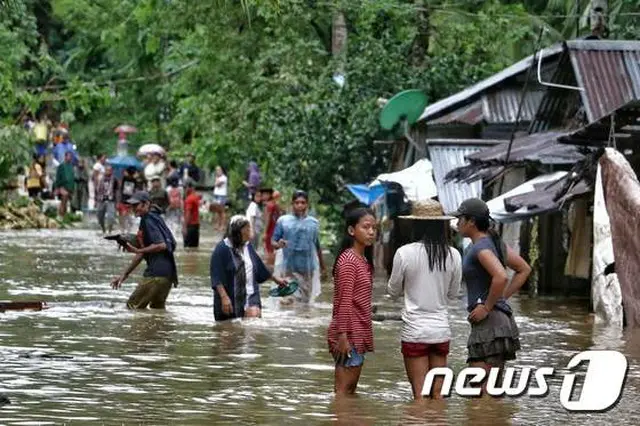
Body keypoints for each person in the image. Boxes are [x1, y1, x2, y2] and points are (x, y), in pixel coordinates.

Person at [451, 198, 531, 393]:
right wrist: (500, 298)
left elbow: (501, 276)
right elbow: (524, 269)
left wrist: (487, 306)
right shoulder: (494, 243)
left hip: (490, 324)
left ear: (471, 222)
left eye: (460, 218)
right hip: (500, 322)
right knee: (491, 394)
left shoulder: (480, 248)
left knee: (479, 393)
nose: (457, 223)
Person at [386, 200, 462, 400]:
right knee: (438, 396)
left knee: (420, 397)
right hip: (440, 331)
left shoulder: (404, 253)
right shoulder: (453, 254)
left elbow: (392, 291)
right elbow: (453, 294)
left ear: (415, 225)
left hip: (415, 331)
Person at [327, 207, 377, 395]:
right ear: (351, 231)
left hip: (357, 331)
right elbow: (344, 301)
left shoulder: (362, 259)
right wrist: (342, 336)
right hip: (348, 334)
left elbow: (354, 298)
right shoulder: (349, 260)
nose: (371, 232)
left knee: (348, 392)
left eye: (374, 228)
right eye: (365, 227)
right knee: (343, 393)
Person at [210, 215, 288, 321]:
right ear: (238, 231)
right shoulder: (222, 249)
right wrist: (224, 297)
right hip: (229, 297)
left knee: (253, 324)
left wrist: (276, 279)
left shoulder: (247, 246)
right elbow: (216, 276)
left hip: (251, 294)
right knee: (229, 331)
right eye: (247, 229)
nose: (250, 231)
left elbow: (259, 266)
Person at [110, 191, 179, 309]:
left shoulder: (148, 220)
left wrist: (138, 250)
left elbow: (161, 245)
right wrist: (124, 275)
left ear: (146, 204)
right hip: (167, 276)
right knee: (157, 312)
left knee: (132, 307)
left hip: (155, 274)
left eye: (136, 205)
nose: (133, 209)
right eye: (132, 206)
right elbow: (142, 253)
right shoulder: (155, 218)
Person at [272, 190, 326, 303]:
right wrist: (279, 244)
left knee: (304, 303)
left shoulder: (313, 223)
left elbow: (316, 245)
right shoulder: (283, 221)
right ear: (292, 204)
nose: (300, 205)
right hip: (288, 268)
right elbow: (273, 241)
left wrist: (322, 266)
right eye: (297, 202)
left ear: (307, 204)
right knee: (289, 300)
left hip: (308, 269)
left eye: (303, 202)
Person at [96, 165, 118, 234]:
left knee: (111, 217)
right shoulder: (100, 179)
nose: (108, 171)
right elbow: (97, 190)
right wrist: (95, 200)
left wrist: (117, 201)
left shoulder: (114, 179)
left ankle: (110, 231)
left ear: (111, 171)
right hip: (101, 200)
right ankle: (103, 229)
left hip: (111, 200)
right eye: (107, 170)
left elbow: (117, 190)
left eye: (109, 170)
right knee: (99, 216)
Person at [53, 151, 75, 218]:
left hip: (70, 187)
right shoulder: (61, 166)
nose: (70, 158)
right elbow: (58, 177)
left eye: (71, 156)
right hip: (63, 187)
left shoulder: (71, 166)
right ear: (65, 157)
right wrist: (57, 188)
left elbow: (72, 177)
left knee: (68, 203)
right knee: (63, 201)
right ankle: (60, 215)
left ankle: (64, 216)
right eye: (68, 156)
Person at [263, 189, 281, 267]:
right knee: (271, 249)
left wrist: (265, 232)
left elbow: (268, 219)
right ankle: (271, 265)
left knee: (269, 249)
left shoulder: (270, 205)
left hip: (270, 231)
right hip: (275, 230)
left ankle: (270, 267)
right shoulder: (276, 206)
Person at [183, 181, 201, 248]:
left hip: (190, 226)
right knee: (194, 248)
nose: (184, 189)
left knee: (187, 249)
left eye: (185, 187)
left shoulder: (189, 199)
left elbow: (188, 213)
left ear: (189, 188)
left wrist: (184, 227)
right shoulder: (195, 197)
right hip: (196, 226)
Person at [211, 165, 228, 232]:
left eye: (218, 170)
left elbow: (217, 184)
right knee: (217, 211)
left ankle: (223, 225)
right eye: (216, 170)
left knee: (222, 211)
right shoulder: (217, 177)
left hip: (221, 195)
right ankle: (218, 225)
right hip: (216, 194)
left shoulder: (224, 178)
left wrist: (217, 179)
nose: (217, 171)